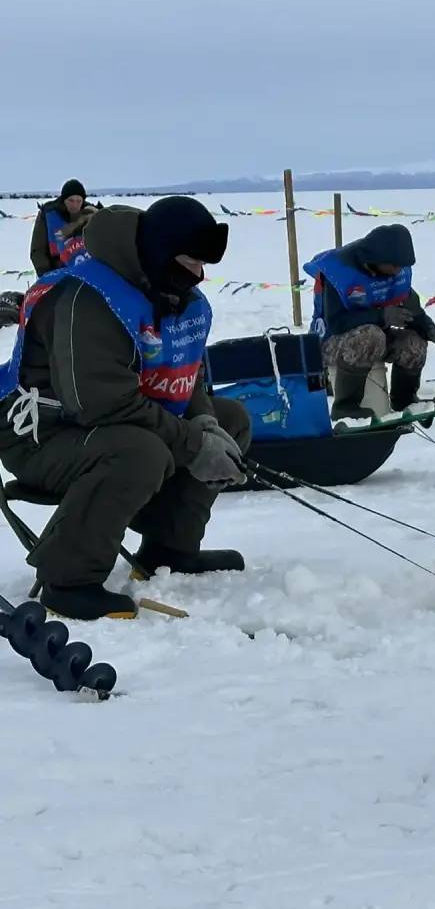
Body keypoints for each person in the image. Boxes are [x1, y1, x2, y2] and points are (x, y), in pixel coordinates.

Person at [0, 197, 248, 621]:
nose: (200, 275)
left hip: (116, 422)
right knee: (138, 451)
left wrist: (204, 420)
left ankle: (169, 547)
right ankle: (68, 579)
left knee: (230, 420)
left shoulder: (171, 291)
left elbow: (185, 371)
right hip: (41, 434)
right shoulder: (87, 300)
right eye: (190, 261)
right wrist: (192, 444)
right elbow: (100, 403)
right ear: (160, 254)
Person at [304, 224, 435, 420]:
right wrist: (382, 316)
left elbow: (413, 312)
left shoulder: (393, 275)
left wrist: (431, 330)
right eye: (395, 265)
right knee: (371, 335)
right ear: (378, 258)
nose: (399, 270)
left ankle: (404, 400)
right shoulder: (341, 274)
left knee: (413, 342)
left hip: (373, 339)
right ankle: (345, 406)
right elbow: (336, 322)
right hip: (332, 342)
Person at [30, 179, 99, 274]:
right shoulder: (48, 214)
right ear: (64, 199)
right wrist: (46, 273)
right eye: (71, 200)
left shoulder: (91, 213)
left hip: (88, 272)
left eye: (78, 201)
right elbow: (38, 250)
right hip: (56, 273)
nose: (75, 205)